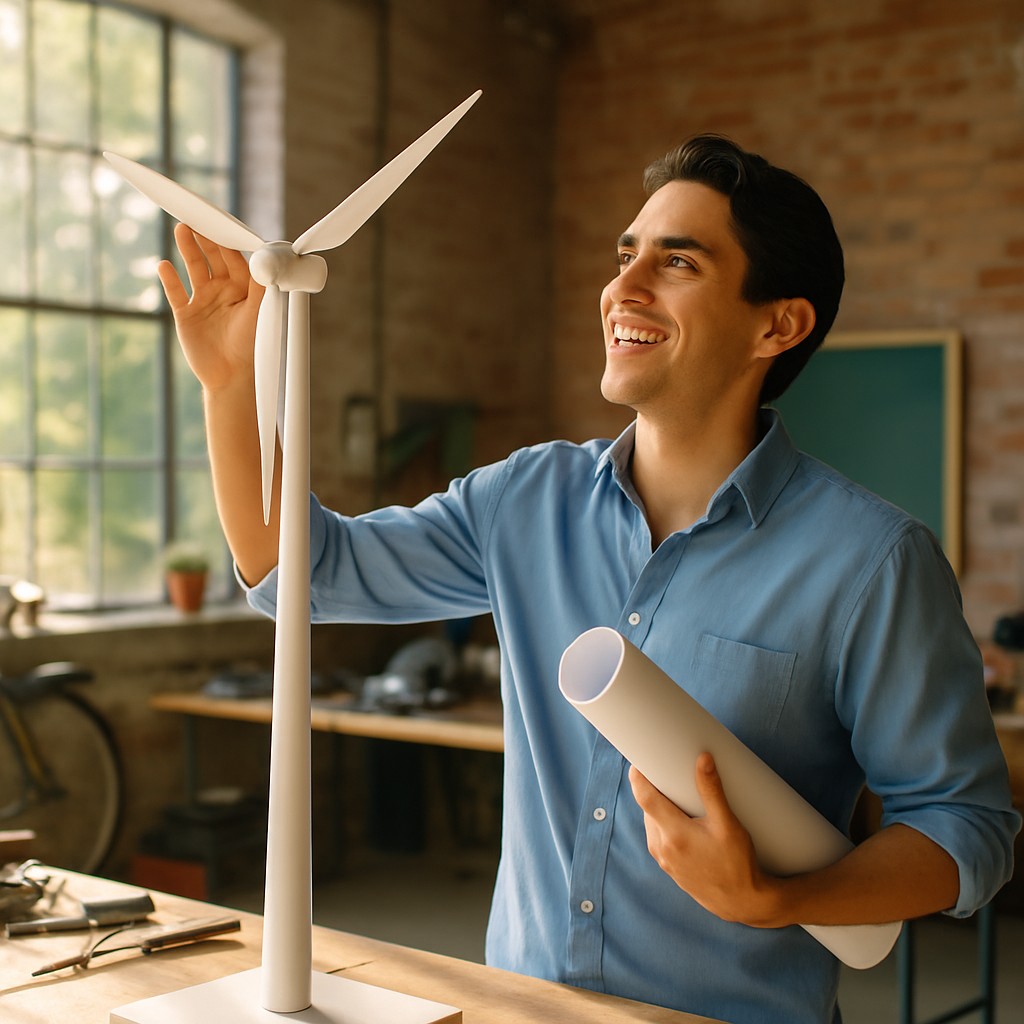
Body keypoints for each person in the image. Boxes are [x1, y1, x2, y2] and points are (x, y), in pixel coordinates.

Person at [158, 134, 1019, 1024]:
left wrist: (781, 898)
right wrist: (232, 389)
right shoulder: (523, 500)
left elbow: (965, 827)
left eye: (677, 262)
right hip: (520, 1009)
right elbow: (302, 574)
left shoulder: (872, 561)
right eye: (625, 254)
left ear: (779, 324)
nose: (623, 288)